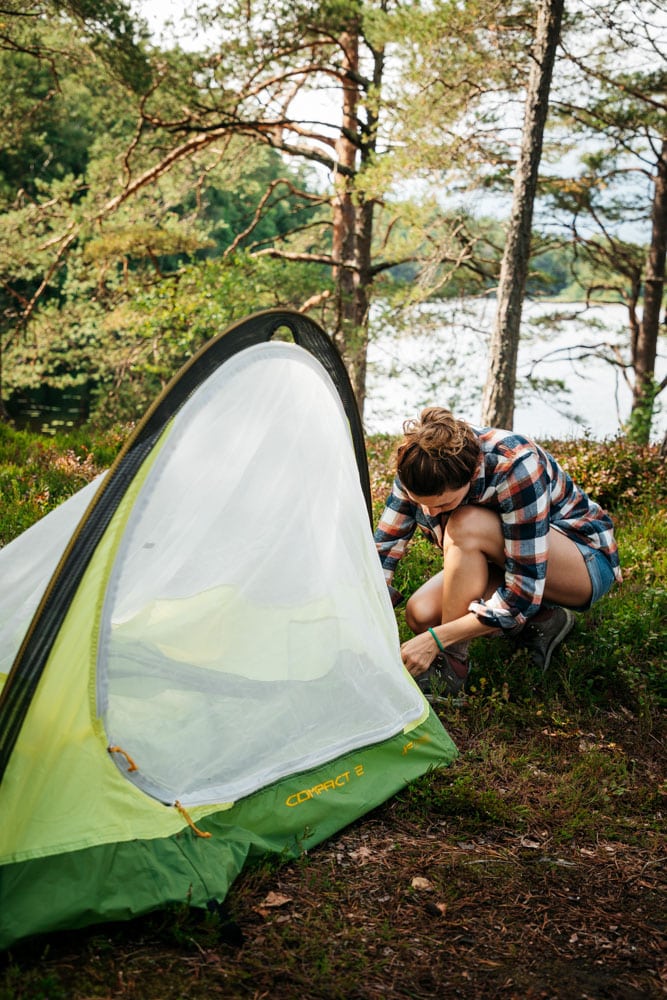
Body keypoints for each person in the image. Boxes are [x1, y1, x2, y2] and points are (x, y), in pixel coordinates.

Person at [374, 408, 621, 697]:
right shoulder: (417, 466)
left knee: (466, 522)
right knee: (421, 614)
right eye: (421, 504)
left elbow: (524, 591)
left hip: (584, 561)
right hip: (511, 558)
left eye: (442, 504)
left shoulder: (515, 465)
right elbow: (384, 552)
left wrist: (438, 640)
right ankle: (544, 621)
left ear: (471, 474)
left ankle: (451, 667)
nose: (429, 513)